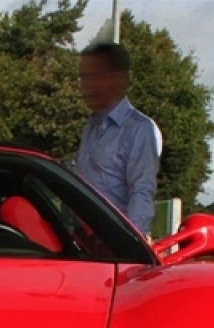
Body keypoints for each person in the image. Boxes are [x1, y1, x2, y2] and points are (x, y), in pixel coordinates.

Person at [74, 41, 162, 238]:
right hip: (84, 242)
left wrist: (130, 243)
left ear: (118, 78)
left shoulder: (139, 129)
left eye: (94, 77)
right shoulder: (90, 129)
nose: (86, 85)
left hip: (114, 245)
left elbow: (142, 190)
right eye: (83, 78)